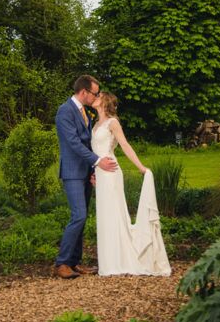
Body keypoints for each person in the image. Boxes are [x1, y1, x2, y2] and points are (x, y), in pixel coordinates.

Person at [91, 91, 171, 276]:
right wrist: (93, 172)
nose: (95, 96)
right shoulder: (95, 124)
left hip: (111, 173)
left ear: (105, 101)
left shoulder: (113, 123)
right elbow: (94, 151)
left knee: (114, 213)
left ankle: (119, 260)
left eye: (99, 95)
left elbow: (125, 145)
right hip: (100, 174)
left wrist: (141, 167)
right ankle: (108, 261)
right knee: (104, 216)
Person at [53, 74, 118, 279]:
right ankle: (62, 263)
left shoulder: (85, 113)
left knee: (82, 217)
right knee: (78, 215)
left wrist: (93, 171)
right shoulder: (65, 111)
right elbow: (73, 143)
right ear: (84, 92)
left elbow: (90, 143)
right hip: (72, 172)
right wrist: (98, 162)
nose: (96, 96)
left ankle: (75, 262)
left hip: (85, 171)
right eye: (95, 93)